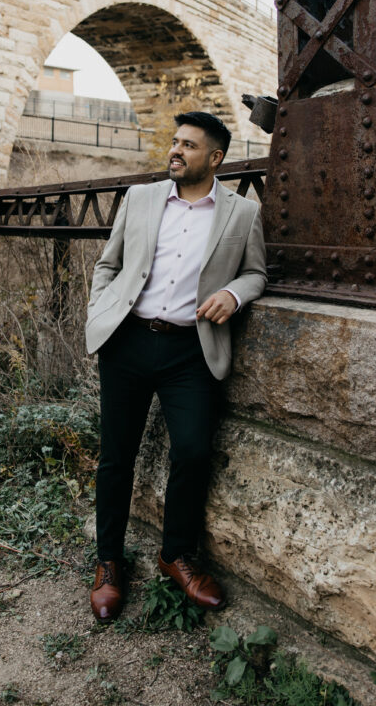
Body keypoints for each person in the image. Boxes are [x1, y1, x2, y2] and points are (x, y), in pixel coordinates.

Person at [85, 111, 267, 622]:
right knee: (116, 456)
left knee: (192, 451)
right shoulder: (140, 198)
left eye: (188, 145)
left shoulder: (242, 214)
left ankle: (175, 555)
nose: (175, 150)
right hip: (127, 343)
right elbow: (108, 264)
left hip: (191, 350)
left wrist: (234, 293)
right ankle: (108, 562)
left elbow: (256, 272)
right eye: (174, 141)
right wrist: (101, 310)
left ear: (215, 158)